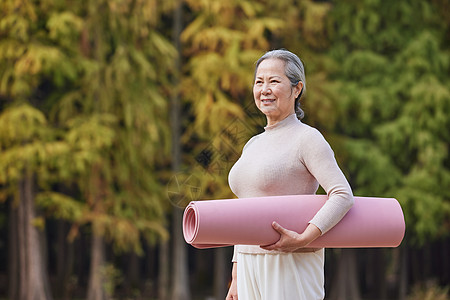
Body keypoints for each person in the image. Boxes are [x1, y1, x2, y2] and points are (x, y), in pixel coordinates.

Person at [225, 49, 354, 300]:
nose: (264, 89)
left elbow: (342, 194)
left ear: (297, 89)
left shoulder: (308, 138)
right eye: (259, 82)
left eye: (274, 81)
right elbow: (246, 209)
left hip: (292, 261)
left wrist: (305, 238)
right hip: (249, 263)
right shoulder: (252, 144)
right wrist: (237, 274)